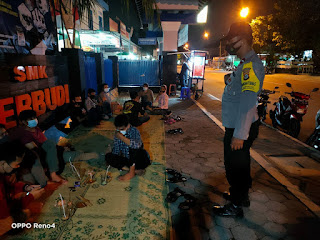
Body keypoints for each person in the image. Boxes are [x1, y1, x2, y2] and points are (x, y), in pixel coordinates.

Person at [212, 22, 265, 218]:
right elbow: (241, 88)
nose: (229, 44)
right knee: (241, 165)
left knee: (234, 167)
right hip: (239, 126)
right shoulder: (245, 63)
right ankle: (241, 197)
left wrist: (239, 135)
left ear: (241, 39)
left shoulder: (250, 66)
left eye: (231, 40)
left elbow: (248, 103)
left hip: (239, 129)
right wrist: (230, 80)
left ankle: (235, 206)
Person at [0, 143, 44, 236]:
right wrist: (30, 197)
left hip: (4, 209)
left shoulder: (2, 172)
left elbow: (10, 186)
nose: (18, 167)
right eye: (17, 164)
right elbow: (5, 215)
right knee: (26, 213)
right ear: (3, 163)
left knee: (23, 203)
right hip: (3, 219)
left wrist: (26, 188)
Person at [18, 110, 67, 184]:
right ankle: (53, 175)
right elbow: (36, 151)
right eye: (30, 119)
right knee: (51, 145)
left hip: (48, 151)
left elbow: (44, 141)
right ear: (24, 122)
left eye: (34, 117)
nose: (34, 120)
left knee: (58, 147)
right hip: (40, 156)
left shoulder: (37, 129)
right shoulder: (25, 136)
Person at [105, 114, 151, 181]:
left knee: (133, 149)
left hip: (139, 160)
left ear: (128, 125)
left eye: (122, 129)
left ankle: (131, 173)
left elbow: (137, 145)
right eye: (118, 129)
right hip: (129, 161)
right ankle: (134, 170)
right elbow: (116, 149)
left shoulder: (134, 131)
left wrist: (121, 137)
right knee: (108, 156)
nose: (120, 131)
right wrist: (113, 159)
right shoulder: (117, 134)